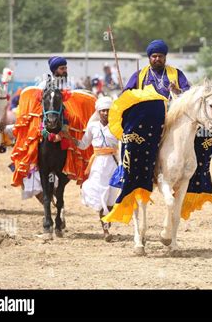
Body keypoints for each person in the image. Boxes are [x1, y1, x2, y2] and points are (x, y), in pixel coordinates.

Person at [68, 96, 119, 242]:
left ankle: (107, 218)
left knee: (111, 196)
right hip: (97, 165)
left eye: (108, 111)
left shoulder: (117, 126)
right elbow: (83, 144)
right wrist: (69, 137)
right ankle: (105, 230)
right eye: (102, 111)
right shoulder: (92, 127)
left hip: (113, 164)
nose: (105, 113)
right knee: (101, 193)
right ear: (98, 111)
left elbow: (123, 145)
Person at [124, 39, 190, 98]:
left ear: (165, 57)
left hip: (170, 110)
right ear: (149, 58)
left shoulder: (177, 73)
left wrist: (177, 91)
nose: (157, 59)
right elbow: (126, 94)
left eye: (160, 56)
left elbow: (189, 92)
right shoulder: (139, 75)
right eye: (154, 56)